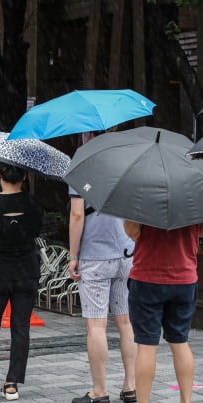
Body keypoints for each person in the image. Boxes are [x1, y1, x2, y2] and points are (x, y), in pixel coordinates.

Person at [69, 133, 137, 403]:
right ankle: (131, 386)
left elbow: (76, 214)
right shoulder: (124, 160)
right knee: (125, 321)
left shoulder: (82, 162)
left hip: (95, 255)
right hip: (125, 252)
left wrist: (73, 255)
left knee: (96, 326)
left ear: (86, 134)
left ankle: (99, 391)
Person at [0, 163, 43, 402]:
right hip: (26, 269)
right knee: (20, 326)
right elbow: (37, 229)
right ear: (25, 175)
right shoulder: (33, 203)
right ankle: (12, 383)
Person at [123, 221, 202, 403]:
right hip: (184, 278)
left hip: (147, 277)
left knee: (146, 345)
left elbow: (132, 231)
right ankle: (186, 400)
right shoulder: (193, 194)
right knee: (180, 342)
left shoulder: (142, 194)